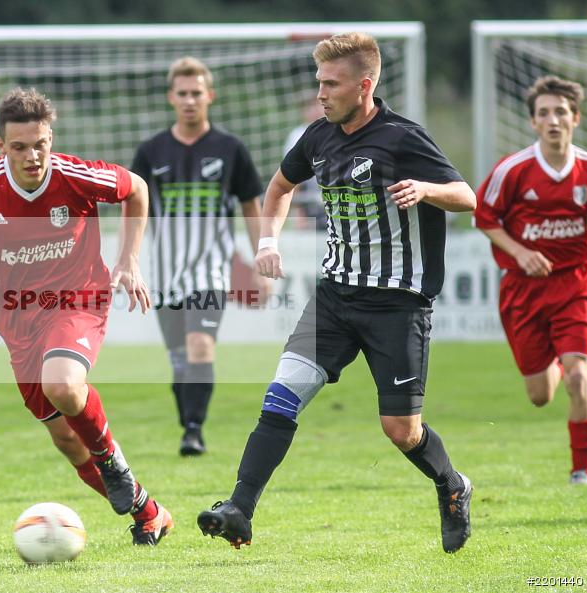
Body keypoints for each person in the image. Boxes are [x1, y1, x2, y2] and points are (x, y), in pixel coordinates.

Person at [196, 32, 477, 553]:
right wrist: (267, 241)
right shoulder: (317, 137)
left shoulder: (402, 138)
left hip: (398, 305)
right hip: (334, 298)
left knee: (400, 430)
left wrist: (426, 189)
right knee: (281, 397)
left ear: (364, 86)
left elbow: (466, 196)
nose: (321, 92)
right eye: (318, 82)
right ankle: (239, 508)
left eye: (331, 83)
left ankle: (452, 484)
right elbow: (278, 187)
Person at [0, 87, 173, 544]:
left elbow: (137, 189)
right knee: (66, 440)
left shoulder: (77, 176)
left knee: (63, 385)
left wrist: (129, 259)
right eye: (20, 147)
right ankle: (149, 512)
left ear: (51, 139)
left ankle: (111, 460)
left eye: (40, 144)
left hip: (77, 299)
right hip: (18, 319)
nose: (32, 156)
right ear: (1, 146)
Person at [131, 56, 265, 456]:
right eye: (183, 94)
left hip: (212, 270)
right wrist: (130, 260)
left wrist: (262, 262)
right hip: (166, 270)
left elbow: (251, 206)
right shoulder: (151, 152)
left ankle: (194, 431)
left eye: (197, 93)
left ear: (210, 96)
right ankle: (188, 422)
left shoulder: (230, 149)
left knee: (200, 345)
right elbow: (134, 210)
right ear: (172, 98)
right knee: (179, 358)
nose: (190, 100)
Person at [474, 76, 587, 486]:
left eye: (561, 111)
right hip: (522, 290)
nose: (553, 120)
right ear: (532, 122)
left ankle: (581, 471)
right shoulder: (513, 170)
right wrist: (521, 252)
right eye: (544, 113)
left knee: (580, 375)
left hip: (576, 284)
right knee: (540, 395)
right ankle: (562, 360)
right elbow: (484, 216)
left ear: (575, 118)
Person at [283, 96, 327, 230]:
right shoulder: (297, 136)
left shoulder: (337, 130)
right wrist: (299, 213)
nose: (315, 110)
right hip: (311, 204)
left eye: (318, 106)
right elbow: (292, 179)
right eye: (310, 107)